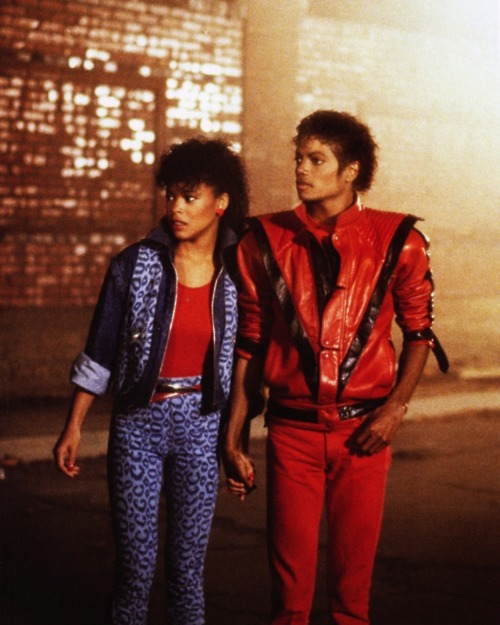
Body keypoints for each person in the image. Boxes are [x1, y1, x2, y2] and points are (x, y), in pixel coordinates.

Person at [224, 110, 448, 625]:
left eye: (316, 159)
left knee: (352, 595)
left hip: (363, 431)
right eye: (299, 158)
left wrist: (395, 409)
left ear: (351, 171)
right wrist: (233, 439)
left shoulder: (399, 239)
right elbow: (250, 343)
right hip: (292, 431)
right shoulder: (263, 240)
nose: (301, 169)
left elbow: (419, 333)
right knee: (289, 598)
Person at [54, 137, 249, 625]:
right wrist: (73, 427)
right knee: (135, 573)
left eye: (190, 197)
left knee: (186, 576)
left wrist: (235, 443)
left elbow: (246, 364)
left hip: (202, 427)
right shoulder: (134, 264)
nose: (176, 207)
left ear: (221, 202)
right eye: (171, 195)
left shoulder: (239, 274)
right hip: (137, 425)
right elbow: (100, 349)